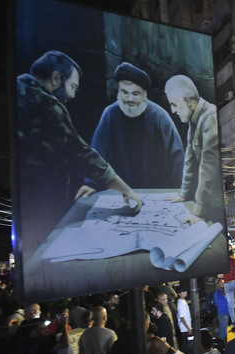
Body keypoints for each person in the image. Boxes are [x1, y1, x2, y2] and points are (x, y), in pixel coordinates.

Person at [17, 51, 143, 256]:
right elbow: (82, 155)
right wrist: (127, 190)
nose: (73, 95)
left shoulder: (20, 88)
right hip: (42, 211)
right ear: (57, 78)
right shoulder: (46, 104)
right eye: (72, 86)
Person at [84, 62, 184, 190]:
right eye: (125, 92)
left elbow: (177, 159)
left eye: (135, 94)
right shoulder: (109, 114)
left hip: (156, 192)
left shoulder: (160, 117)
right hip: (117, 191)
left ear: (145, 94)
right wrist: (92, 184)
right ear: (118, 91)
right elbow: (98, 153)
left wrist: (181, 190)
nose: (129, 99)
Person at [164, 74, 224, 224]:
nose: (173, 111)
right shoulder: (194, 120)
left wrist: (198, 211)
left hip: (221, 202)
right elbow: (189, 160)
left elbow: (208, 166)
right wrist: (184, 193)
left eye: (174, 104)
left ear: (186, 101)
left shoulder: (210, 116)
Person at [177, 285, 194, 354]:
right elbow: (182, 317)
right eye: (183, 292)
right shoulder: (180, 303)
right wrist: (188, 328)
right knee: (186, 346)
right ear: (179, 294)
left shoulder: (183, 301)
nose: (185, 293)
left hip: (186, 328)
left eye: (185, 291)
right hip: (184, 329)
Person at [213, 278, 230, 343]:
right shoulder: (217, 291)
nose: (223, 284)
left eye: (224, 283)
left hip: (225, 313)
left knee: (224, 331)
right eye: (221, 283)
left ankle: (223, 343)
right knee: (223, 331)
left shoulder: (222, 291)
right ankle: (221, 344)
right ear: (217, 284)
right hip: (222, 314)